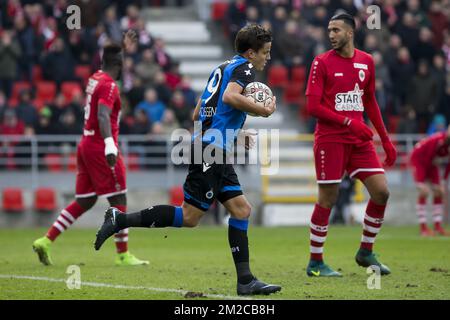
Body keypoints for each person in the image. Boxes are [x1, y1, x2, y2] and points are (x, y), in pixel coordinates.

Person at [95, 24, 281, 296]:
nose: (267, 57)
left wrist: (232, 134)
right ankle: (119, 219)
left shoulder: (220, 68)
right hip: (211, 150)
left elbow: (198, 113)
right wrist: (262, 111)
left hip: (211, 147)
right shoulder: (244, 69)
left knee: (241, 210)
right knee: (191, 216)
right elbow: (230, 97)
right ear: (251, 53)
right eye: (265, 52)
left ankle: (245, 281)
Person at [32, 30, 148, 266]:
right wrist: (109, 146)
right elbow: (103, 115)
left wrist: (121, 46)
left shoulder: (96, 77)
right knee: (119, 197)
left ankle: (46, 240)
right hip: (100, 147)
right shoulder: (110, 86)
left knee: (85, 201)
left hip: (85, 144)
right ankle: (123, 254)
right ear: (119, 63)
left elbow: (112, 57)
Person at [305, 13, 397, 277]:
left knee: (381, 192)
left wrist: (386, 140)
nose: (331, 34)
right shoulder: (320, 62)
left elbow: (370, 101)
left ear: (350, 32)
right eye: (329, 30)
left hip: (359, 140)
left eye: (336, 30)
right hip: (330, 139)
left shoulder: (366, 61)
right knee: (328, 198)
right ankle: (315, 262)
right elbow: (313, 107)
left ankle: (366, 251)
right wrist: (348, 123)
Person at [410, 126, 450, 236]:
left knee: (439, 192)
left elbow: (448, 165)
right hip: (419, 160)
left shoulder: (447, 145)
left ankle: (437, 227)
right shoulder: (437, 140)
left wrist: (443, 181)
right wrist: (426, 181)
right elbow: (428, 157)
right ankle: (423, 229)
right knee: (424, 191)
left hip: (431, 163)